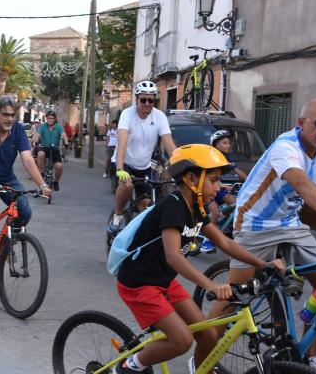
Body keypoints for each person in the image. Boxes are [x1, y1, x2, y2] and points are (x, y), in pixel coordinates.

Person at [112, 144, 283, 374]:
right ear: (191, 177)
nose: (218, 186)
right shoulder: (173, 206)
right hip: (140, 284)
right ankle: (129, 367)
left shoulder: (196, 208)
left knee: (208, 336)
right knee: (181, 341)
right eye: (213, 180)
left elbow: (225, 242)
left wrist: (262, 264)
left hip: (164, 280)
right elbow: (173, 256)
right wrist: (210, 284)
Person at [208, 98, 316, 374]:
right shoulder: (286, 147)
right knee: (233, 298)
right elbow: (301, 183)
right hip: (256, 225)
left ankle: (311, 356)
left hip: (290, 223)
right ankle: (202, 357)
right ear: (301, 124)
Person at [0, 96, 53, 268]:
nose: (10, 119)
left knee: (24, 211)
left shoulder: (18, 130)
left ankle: (6, 244)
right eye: (5, 114)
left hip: (5, 175)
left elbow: (27, 159)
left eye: (13, 115)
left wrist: (42, 184)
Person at [108, 80, 177, 233]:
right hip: (124, 162)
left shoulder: (159, 117)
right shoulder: (127, 114)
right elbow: (122, 143)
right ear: (137, 99)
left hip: (144, 166)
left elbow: (169, 144)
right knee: (127, 184)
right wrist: (120, 169)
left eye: (151, 100)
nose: (147, 103)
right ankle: (118, 215)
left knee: (146, 205)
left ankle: (137, 235)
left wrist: (182, 166)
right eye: (143, 100)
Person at [201, 130, 248, 253]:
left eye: (229, 143)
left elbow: (238, 172)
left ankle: (220, 221)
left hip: (218, 189)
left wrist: (251, 182)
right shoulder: (211, 157)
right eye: (224, 143)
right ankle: (207, 239)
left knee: (236, 205)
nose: (228, 145)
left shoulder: (226, 158)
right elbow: (206, 177)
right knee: (215, 212)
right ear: (216, 145)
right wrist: (222, 184)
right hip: (207, 189)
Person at [32, 110, 69, 191]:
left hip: (55, 149)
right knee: (40, 154)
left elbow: (64, 135)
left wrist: (66, 142)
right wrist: (35, 141)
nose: (50, 120)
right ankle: (41, 173)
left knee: (59, 166)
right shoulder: (42, 126)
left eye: (51, 118)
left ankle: (56, 182)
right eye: (48, 118)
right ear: (46, 119)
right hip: (44, 147)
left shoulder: (59, 126)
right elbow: (37, 135)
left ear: (55, 119)